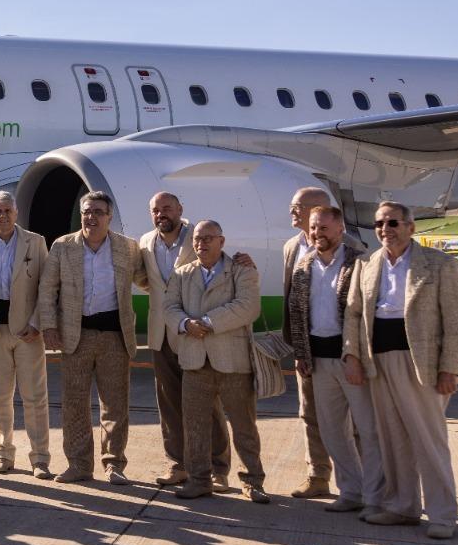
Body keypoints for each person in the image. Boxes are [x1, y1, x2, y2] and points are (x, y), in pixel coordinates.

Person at [344, 201, 458, 539]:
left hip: (420, 363)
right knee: (393, 439)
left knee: (429, 441)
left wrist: (450, 368)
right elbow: (354, 313)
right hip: (379, 361)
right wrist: (352, 356)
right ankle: (402, 506)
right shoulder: (366, 264)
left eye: (393, 223)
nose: (385, 230)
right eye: (379, 224)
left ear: (411, 227)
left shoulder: (439, 264)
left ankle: (442, 515)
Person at [38, 191, 140, 485]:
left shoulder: (128, 248)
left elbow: (152, 277)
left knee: (115, 404)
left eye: (98, 212)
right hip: (76, 336)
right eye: (86, 212)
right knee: (74, 404)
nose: (91, 217)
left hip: (115, 337)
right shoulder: (62, 246)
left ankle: (114, 464)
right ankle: (79, 465)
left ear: (109, 217)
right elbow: (48, 289)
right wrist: (49, 327)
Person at [164, 220, 268, 502]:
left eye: (208, 238)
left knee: (244, 425)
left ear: (222, 241)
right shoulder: (182, 273)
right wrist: (185, 324)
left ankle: (252, 481)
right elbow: (169, 307)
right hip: (194, 362)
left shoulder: (242, 270)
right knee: (195, 426)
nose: (202, 244)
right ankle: (199, 480)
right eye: (197, 239)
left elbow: (249, 307)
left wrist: (209, 323)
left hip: (233, 361)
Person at [287, 206, 381, 515]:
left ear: (340, 230)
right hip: (319, 360)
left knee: (368, 429)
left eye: (324, 228)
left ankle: (377, 496)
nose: (317, 234)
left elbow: (366, 314)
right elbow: (297, 313)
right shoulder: (304, 265)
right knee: (332, 431)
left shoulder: (359, 263)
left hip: (352, 360)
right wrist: (301, 353)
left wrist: (357, 355)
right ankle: (351, 492)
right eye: (314, 228)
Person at [135, 192, 232, 492]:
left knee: (207, 402)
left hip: (194, 331)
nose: (161, 214)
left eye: (167, 208)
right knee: (169, 403)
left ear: (180, 209)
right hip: (161, 332)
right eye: (156, 210)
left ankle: (218, 467)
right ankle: (178, 464)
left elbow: (219, 266)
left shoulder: (197, 236)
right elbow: (145, 279)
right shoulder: (146, 242)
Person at [0, 191, 52, 478]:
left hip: (27, 331)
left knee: (34, 398)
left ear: (16, 213)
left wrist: (38, 323)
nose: (3, 215)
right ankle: (3, 454)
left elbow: (46, 286)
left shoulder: (35, 242)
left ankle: (40, 458)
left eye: (7, 210)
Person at [282, 186, 337, 499]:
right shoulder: (292, 246)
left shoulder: (350, 248)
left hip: (341, 348)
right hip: (307, 348)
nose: (292, 212)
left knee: (352, 420)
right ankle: (317, 476)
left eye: (297, 207)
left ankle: (361, 483)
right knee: (309, 414)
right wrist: (296, 345)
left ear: (319, 209)